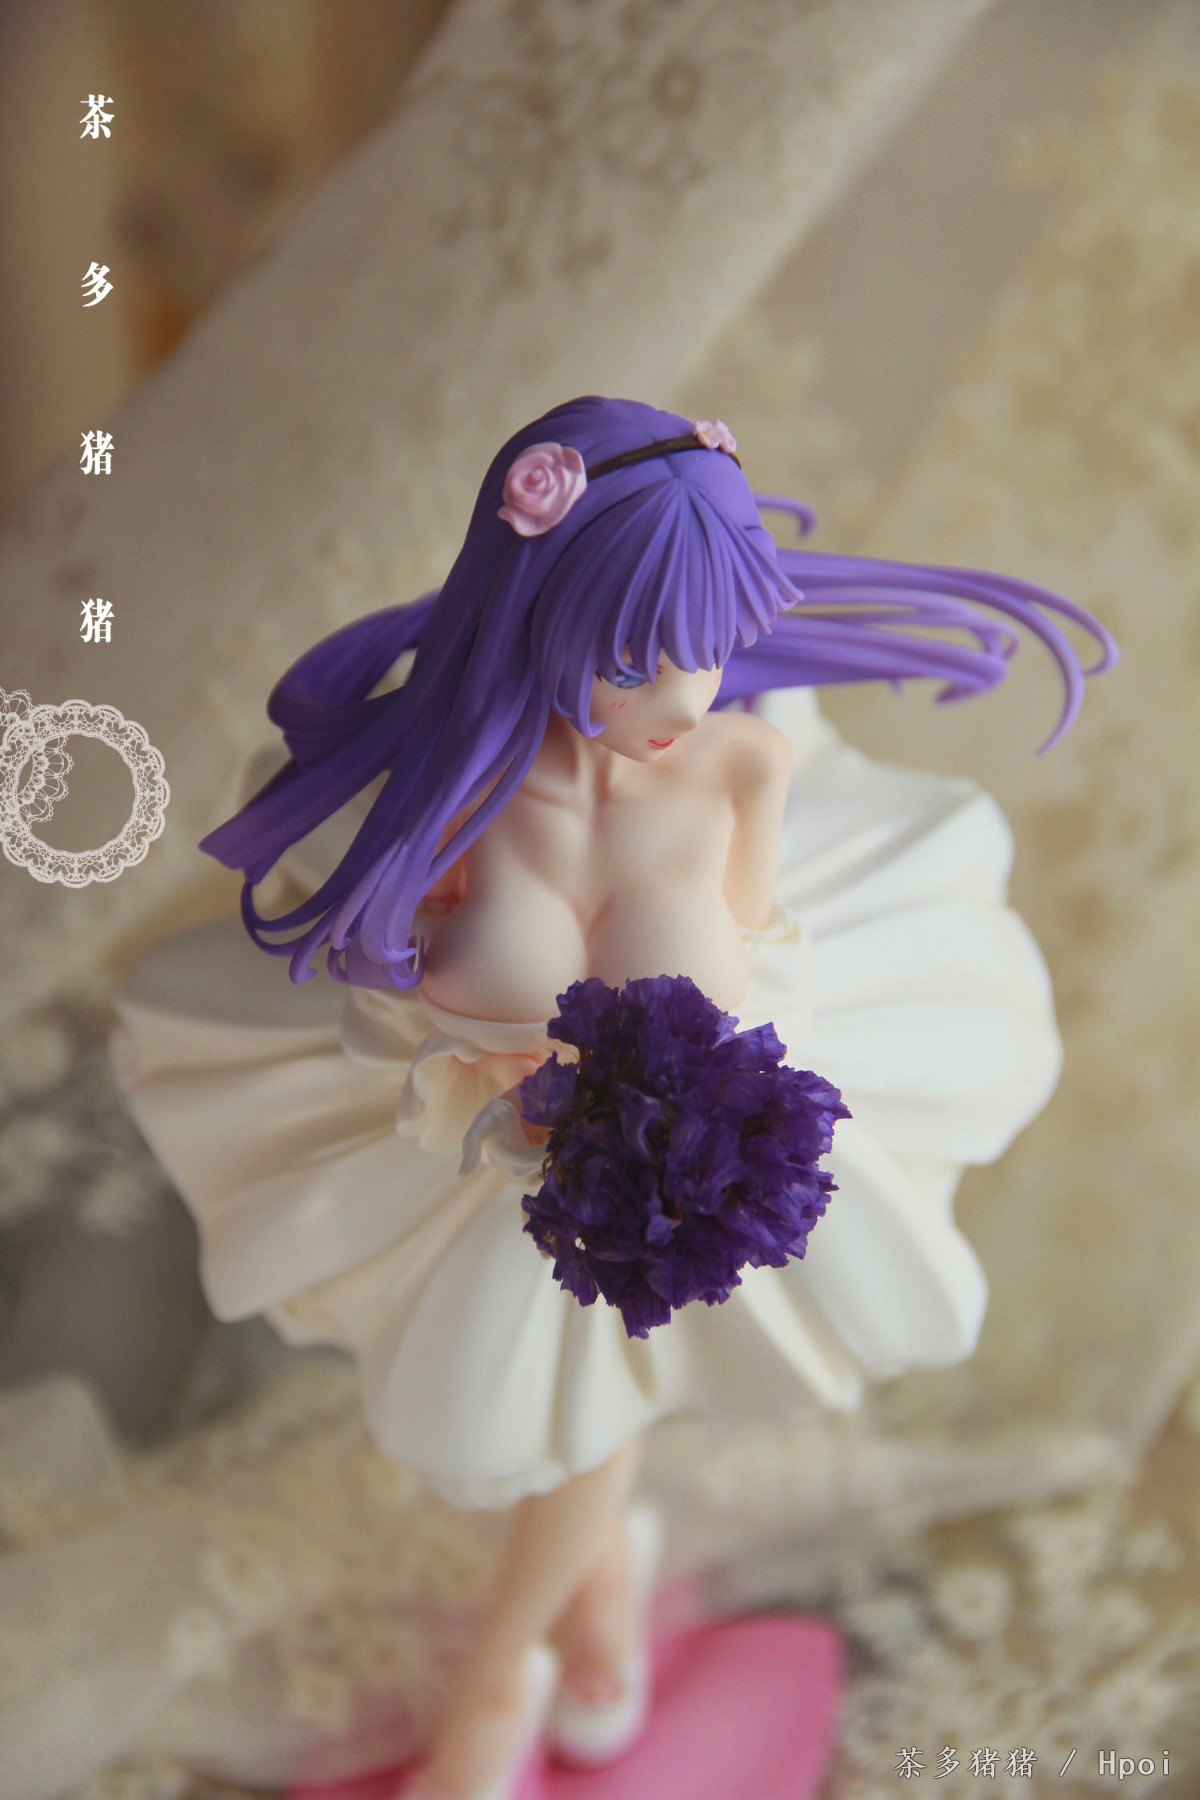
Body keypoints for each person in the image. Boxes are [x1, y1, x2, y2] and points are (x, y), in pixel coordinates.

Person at [111, 395, 1115, 1799]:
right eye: (641, 660)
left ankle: (501, 1667)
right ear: (544, 615)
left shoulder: (739, 763)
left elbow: (763, 954)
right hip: (480, 1182)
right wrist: (482, 1070)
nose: (686, 700)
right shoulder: (458, 800)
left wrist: (707, 1105)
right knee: (529, 1420)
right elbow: (388, 993)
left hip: (674, 1173)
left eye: (707, 650)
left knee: (589, 1411)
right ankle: (597, 1590)